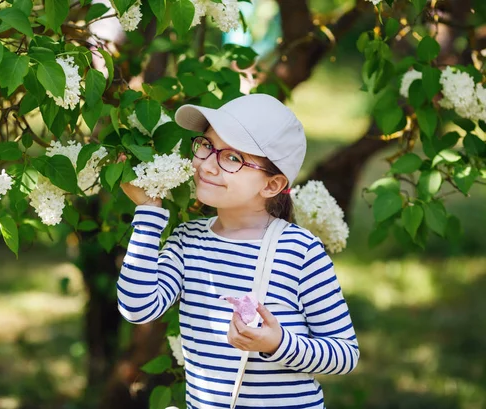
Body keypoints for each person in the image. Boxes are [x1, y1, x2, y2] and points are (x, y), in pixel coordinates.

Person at [117, 93, 359, 409]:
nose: (207, 165)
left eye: (232, 158)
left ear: (272, 185)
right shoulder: (188, 241)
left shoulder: (300, 251)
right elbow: (138, 307)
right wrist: (149, 212)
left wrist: (279, 344)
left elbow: (344, 355)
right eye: (206, 145)